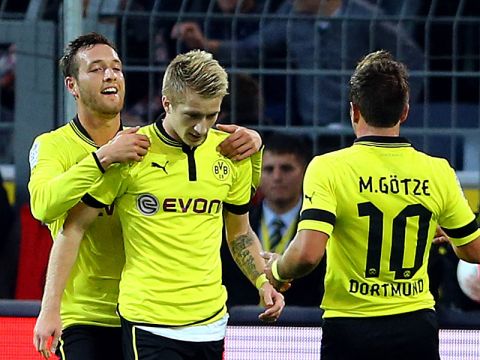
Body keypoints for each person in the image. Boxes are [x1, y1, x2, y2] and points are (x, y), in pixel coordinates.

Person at [35, 49, 284, 360]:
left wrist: (262, 280)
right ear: (167, 103)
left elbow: (240, 232)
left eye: (211, 115)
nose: (201, 128)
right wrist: (50, 309)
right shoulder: (130, 152)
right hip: (145, 321)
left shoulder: (230, 152)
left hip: (211, 321)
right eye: (192, 115)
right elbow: (69, 227)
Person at [263, 50, 480, 359]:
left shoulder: (329, 167)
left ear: (354, 111)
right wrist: (453, 239)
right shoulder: (437, 170)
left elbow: (308, 254)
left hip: (351, 327)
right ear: (404, 112)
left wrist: (278, 271)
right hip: (415, 325)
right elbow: (475, 251)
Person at [174, 0, 424, 126]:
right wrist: (206, 43)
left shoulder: (365, 18)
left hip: (362, 122)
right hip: (311, 122)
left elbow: (412, 58)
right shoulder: (291, 15)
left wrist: (394, 106)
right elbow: (253, 47)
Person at [223, 131, 325, 307]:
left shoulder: (320, 227)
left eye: (286, 168)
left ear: (304, 172)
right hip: (242, 324)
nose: (277, 177)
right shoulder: (236, 223)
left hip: (303, 325)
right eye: (269, 169)